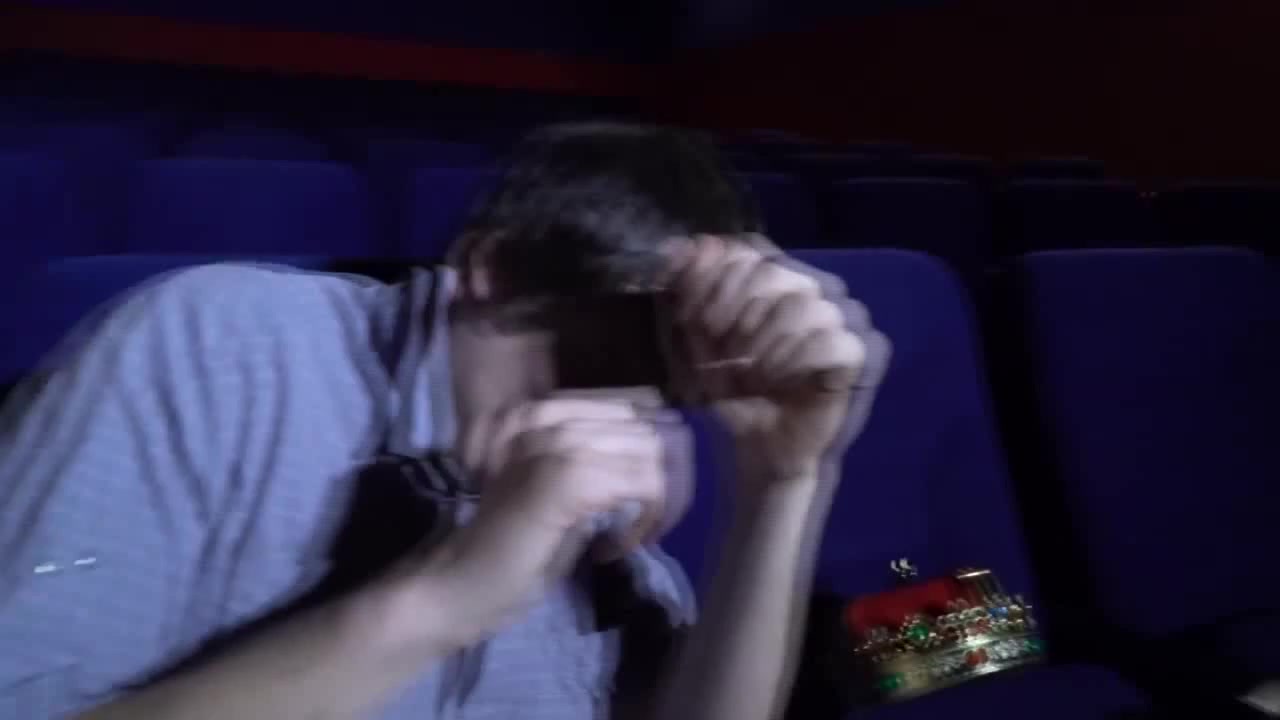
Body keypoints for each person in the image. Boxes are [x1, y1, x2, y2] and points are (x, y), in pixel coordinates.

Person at [0, 123, 890, 720]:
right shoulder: (219, 345)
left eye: (663, 386)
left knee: (947, 628)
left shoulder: (612, 496)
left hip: (872, 628)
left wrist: (784, 480)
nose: (615, 432)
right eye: (589, 363)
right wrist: (449, 594)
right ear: (491, 270)